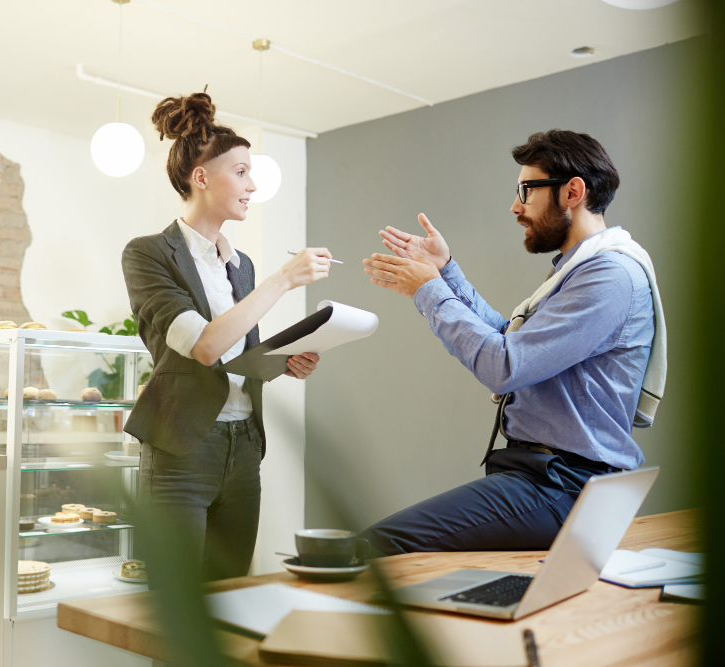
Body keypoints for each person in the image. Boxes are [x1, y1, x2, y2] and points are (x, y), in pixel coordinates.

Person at [359, 129, 665, 555]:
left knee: (378, 545)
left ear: (573, 192)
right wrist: (445, 271)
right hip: (544, 476)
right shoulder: (578, 270)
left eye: (526, 190)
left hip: (564, 486)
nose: (515, 206)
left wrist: (429, 290)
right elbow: (511, 339)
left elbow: (505, 366)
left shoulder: (609, 277)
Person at [121, 90, 332, 579]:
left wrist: (282, 363)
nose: (251, 185)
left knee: (232, 595)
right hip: (181, 451)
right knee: (179, 611)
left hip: (244, 449)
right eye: (240, 172)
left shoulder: (242, 265)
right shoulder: (148, 254)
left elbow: (236, 354)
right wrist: (285, 279)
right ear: (201, 178)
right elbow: (205, 346)